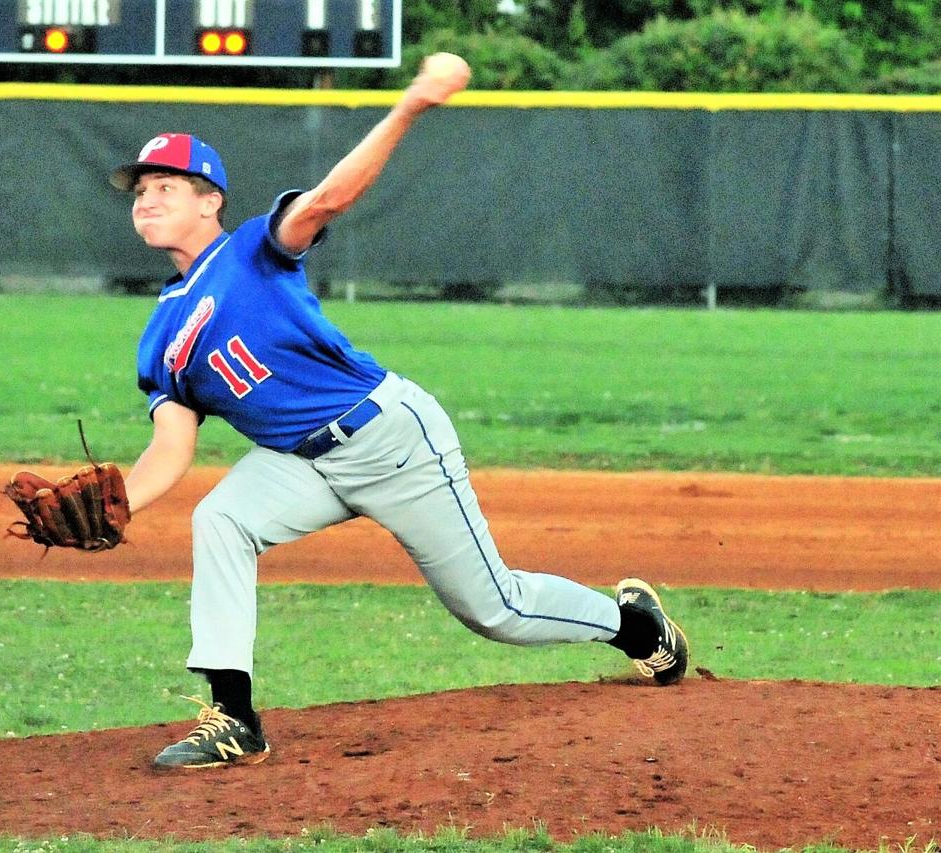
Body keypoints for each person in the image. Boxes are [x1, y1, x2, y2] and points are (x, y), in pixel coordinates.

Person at [108, 54, 689, 771]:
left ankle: (634, 626)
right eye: (139, 189)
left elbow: (323, 202)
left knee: (494, 608)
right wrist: (122, 502)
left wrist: (411, 104)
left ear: (210, 202)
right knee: (220, 518)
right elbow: (171, 444)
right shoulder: (158, 336)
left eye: (167, 185)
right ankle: (234, 717)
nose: (147, 197)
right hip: (301, 462)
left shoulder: (254, 251)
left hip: (388, 438)